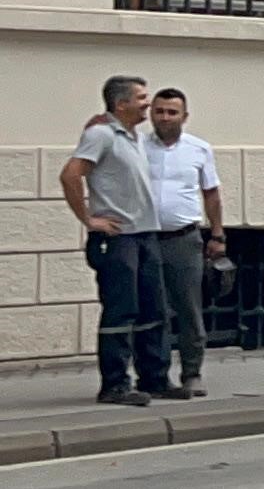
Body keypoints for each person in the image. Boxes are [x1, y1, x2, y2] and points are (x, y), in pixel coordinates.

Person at [61, 74, 183, 406]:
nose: (148, 102)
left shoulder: (135, 137)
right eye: (141, 97)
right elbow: (71, 174)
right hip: (119, 240)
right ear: (121, 103)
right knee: (121, 310)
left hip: (145, 235)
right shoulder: (101, 135)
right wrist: (89, 219)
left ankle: (155, 378)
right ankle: (115, 384)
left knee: (153, 310)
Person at [142, 88, 226, 397]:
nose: (165, 117)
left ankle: (192, 372)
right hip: (145, 239)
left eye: (172, 112)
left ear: (184, 117)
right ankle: (156, 376)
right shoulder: (137, 146)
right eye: (159, 111)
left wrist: (217, 235)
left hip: (184, 238)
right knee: (153, 310)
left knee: (189, 308)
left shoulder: (199, 149)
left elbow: (211, 194)